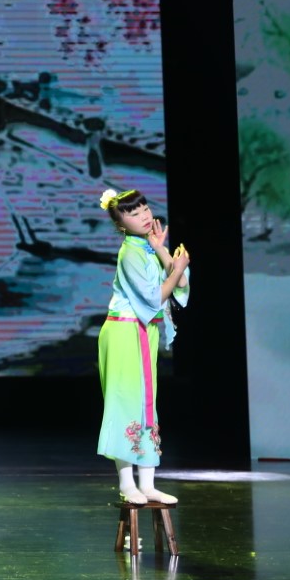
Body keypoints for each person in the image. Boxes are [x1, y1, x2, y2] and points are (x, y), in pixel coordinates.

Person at [97, 187, 190, 504]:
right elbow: (153, 300)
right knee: (125, 404)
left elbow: (180, 284)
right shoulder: (130, 253)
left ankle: (148, 484)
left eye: (145, 209)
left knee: (147, 404)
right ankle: (127, 484)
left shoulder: (148, 247)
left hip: (143, 332)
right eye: (134, 214)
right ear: (121, 224)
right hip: (123, 331)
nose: (144, 216)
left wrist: (162, 250)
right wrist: (176, 268)